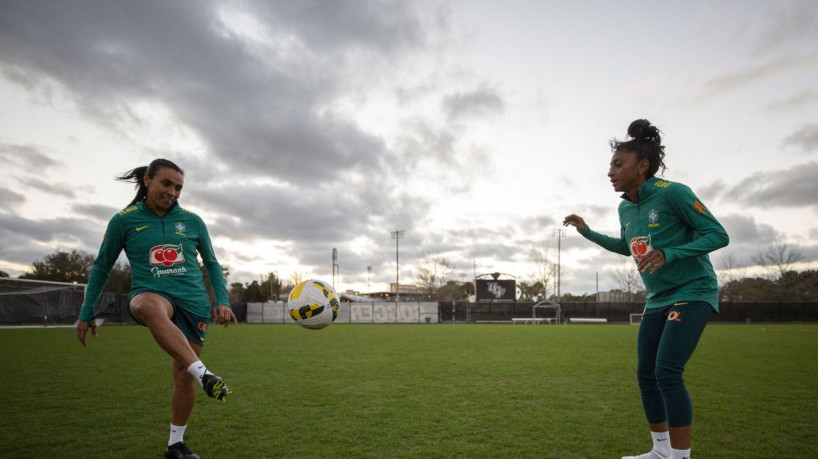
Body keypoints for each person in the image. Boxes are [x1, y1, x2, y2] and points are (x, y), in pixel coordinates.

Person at [563, 120, 728, 459]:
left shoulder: (674, 193)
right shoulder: (625, 207)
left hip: (693, 290)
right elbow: (628, 247)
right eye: (610, 165)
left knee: (667, 370)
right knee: (645, 373)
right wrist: (587, 231)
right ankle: (661, 451)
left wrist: (671, 253)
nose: (610, 172)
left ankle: (681, 457)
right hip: (658, 298)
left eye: (617, 165)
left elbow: (718, 235)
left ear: (643, 166)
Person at [76, 158, 237, 459]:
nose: (173, 192)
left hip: (194, 303)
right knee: (148, 306)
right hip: (151, 294)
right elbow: (101, 266)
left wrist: (223, 301)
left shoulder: (193, 221)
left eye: (178, 187)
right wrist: (87, 311)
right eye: (166, 183)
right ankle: (207, 376)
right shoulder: (123, 221)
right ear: (148, 180)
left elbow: (212, 264)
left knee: (182, 375)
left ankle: (175, 444)